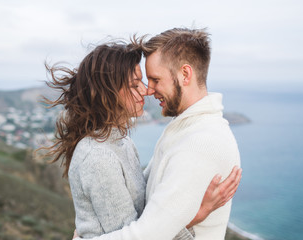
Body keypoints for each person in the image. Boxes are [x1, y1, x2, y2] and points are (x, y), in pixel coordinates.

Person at [41, 40, 241, 240]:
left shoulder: (122, 142)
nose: (146, 90)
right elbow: (135, 234)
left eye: (148, 81)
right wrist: (195, 217)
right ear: (108, 93)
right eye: (135, 84)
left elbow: (145, 204)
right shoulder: (98, 155)